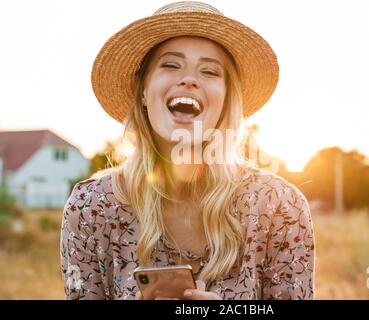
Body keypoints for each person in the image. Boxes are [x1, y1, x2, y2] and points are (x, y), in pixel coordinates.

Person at [60, 1, 315, 300]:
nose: (189, 79)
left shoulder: (279, 206)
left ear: (226, 99)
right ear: (143, 91)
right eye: (170, 64)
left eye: (209, 71)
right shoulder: (90, 207)